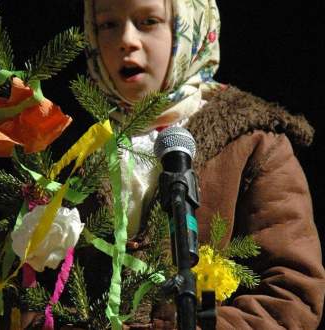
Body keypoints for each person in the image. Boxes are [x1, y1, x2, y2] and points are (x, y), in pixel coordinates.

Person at [81, 0, 325, 328]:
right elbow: (28, 289)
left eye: (148, 21)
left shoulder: (252, 142)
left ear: (189, 25)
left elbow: (292, 294)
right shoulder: (78, 151)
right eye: (107, 24)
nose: (126, 39)